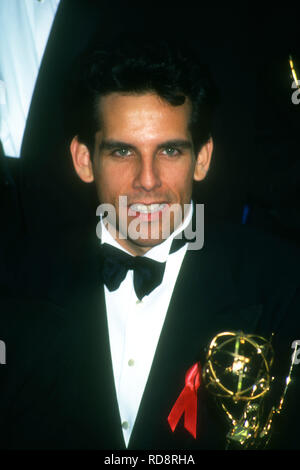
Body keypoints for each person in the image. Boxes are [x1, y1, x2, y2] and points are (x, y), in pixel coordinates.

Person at [0, 36, 300, 451]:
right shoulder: (15, 282)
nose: (147, 179)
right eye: (123, 151)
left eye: (170, 151)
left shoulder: (282, 283)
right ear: (84, 160)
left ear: (202, 158)